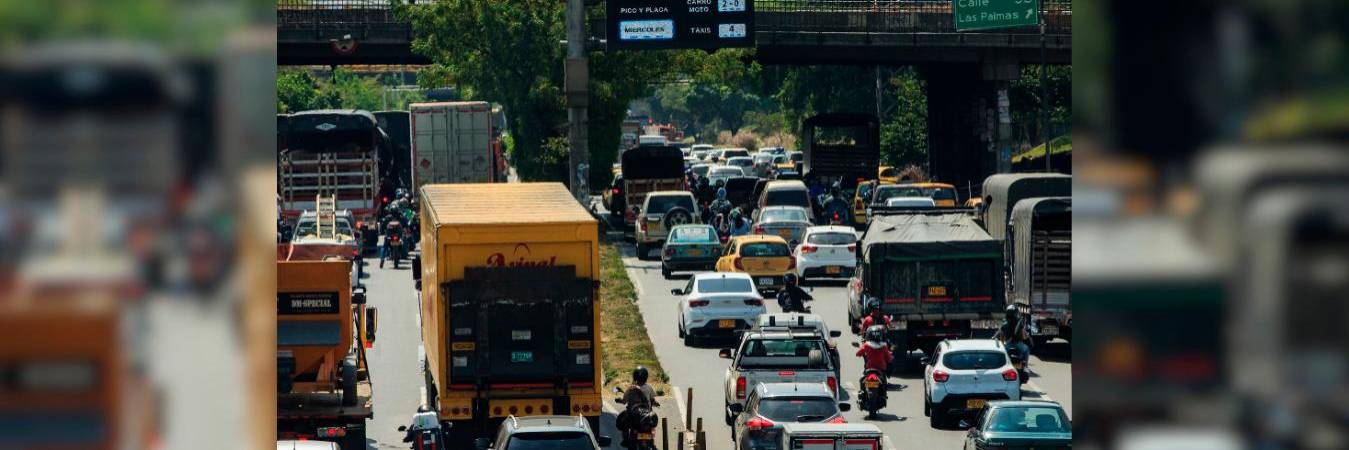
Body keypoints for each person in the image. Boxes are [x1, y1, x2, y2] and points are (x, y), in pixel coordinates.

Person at [620, 366, 659, 448]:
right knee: (652, 424)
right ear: (646, 376)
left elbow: (624, 401)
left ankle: (625, 439)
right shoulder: (649, 387)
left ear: (635, 376)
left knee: (623, 423)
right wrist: (655, 403)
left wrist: (620, 400)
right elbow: (652, 399)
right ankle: (651, 442)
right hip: (646, 415)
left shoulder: (631, 388)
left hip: (634, 416)